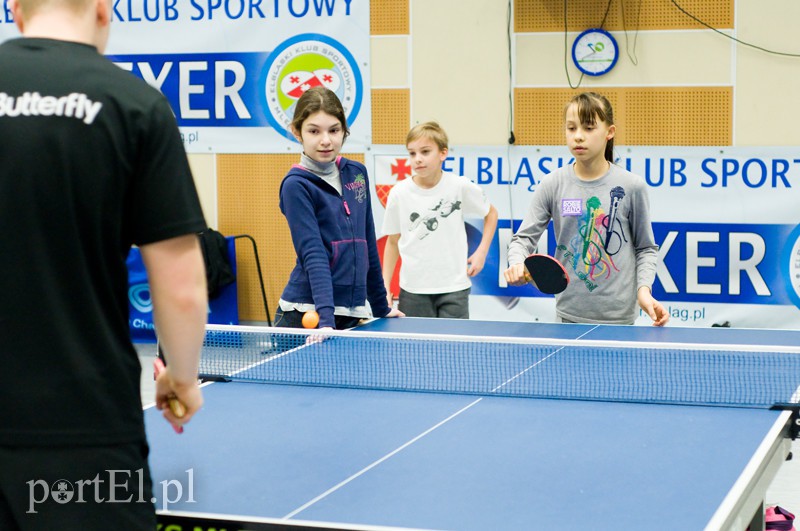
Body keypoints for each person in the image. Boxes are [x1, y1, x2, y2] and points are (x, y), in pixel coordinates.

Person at [0, 1, 208, 529]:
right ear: (102, 10)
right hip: (83, 427)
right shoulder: (135, 104)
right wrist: (181, 378)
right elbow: (182, 288)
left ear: (18, 12)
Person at [504, 92, 668, 326]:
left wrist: (644, 291)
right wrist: (516, 262)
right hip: (568, 317)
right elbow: (522, 239)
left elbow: (646, 248)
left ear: (609, 132)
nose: (578, 137)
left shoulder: (632, 186)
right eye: (572, 129)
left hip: (619, 320)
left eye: (589, 128)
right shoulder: (553, 184)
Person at [276, 86, 403, 329]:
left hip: (350, 314)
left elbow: (367, 243)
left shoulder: (356, 173)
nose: (326, 140)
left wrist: (381, 307)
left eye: (334, 130)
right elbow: (313, 253)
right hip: (308, 315)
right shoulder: (296, 186)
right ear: (297, 132)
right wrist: (325, 318)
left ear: (344, 130)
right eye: (314, 131)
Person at [381, 121, 498, 319]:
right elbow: (392, 242)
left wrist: (481, 252)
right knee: (415, 350)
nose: (418, 159)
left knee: (454, 349)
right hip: (413, 290)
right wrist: (384, 286)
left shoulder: (459, 186)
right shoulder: (399, 193)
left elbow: (491, 214)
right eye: (412, 153)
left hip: (454, 288)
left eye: (425, 151)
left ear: (443, 153)